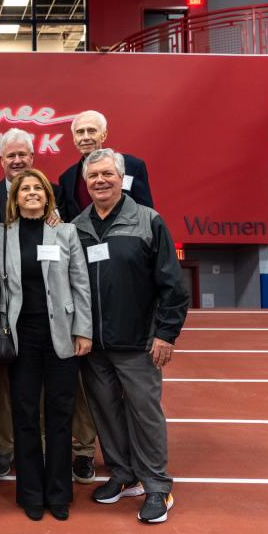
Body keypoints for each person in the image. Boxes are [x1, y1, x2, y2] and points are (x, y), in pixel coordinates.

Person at [71, 148, 189, 524]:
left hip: (138, 342)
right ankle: (122, 474)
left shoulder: (148, 221)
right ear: (86, 183)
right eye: (93, 177)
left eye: (107, 174)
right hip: (93, 346)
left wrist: (165, 334)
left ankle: (157, 487)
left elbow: (173, 285)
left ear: (122, 179)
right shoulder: (77, 227)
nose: (100, 181)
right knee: (105, 412)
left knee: (144, 414)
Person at [56, 110, 155, 484]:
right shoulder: (67, 179)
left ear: (105, 133)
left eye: (91, 131)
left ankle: (150, 475)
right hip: (86, 289)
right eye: (78, 131)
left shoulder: (132, 166)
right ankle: (117, 467)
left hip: (126, 290)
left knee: (139, 400)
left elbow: (148, 218)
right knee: (98, 391)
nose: (85, 136)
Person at [0, 169, 92, 521]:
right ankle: (31, 493)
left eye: (38, 188)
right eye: (24, 189)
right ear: (15, 199)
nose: (31, 193)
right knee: (25, 414)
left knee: (61, 415)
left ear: (48, 196)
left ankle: (59, 493)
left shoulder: (66, 232)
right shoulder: (0, 235)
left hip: (61, 333)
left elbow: (80, 284)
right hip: (21, 335)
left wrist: (84, 331)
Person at [0, 128, 63, 477]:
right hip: (0, 306)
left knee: (43, 381)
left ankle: (41, 442)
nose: (17, 161)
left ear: (33, 158)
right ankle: (4, 447)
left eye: (23, 155)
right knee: (0, 380)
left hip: (45, 307)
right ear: (1, 160)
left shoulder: (53, 195)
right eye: (10, 155)